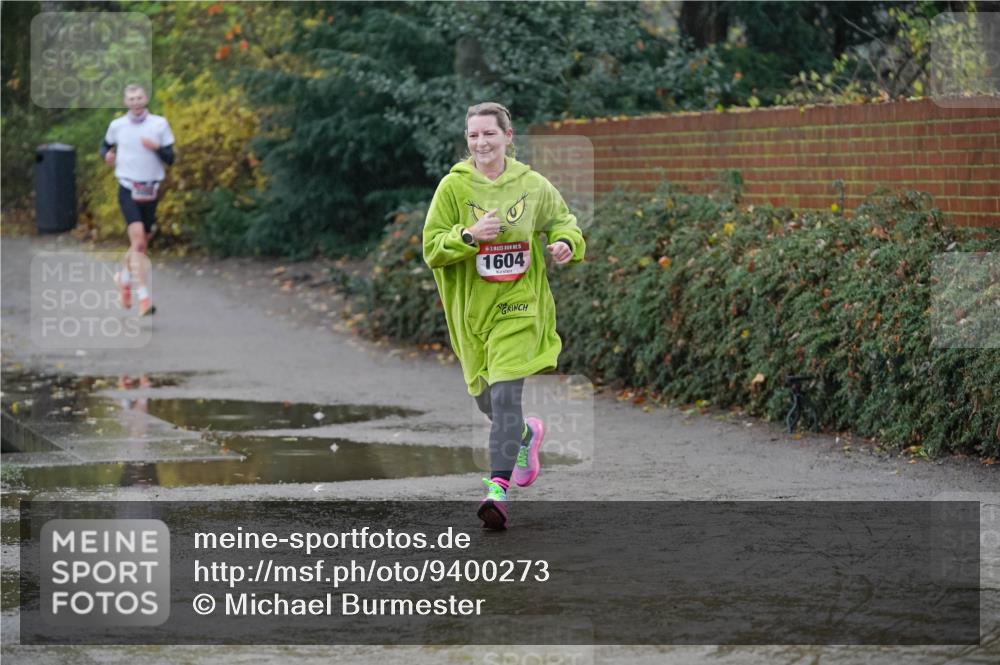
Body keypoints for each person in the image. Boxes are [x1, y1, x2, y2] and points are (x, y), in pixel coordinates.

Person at [423, 102, 585, 530]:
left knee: (506, 396)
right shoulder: (453, 189)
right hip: (473, 314)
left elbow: (563, 221)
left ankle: (497, 490)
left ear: (508, 137)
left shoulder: (531, 184)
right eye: (473, 136)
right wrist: (468, 235)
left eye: (489, 134)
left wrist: (566, 243)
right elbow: (432, 249)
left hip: (519, 307)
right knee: (486, 399)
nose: (481, 143)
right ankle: (525, 436)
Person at [100, 83, 176, 316]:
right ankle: (143, 298)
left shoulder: (159, 124)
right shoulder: (117, 126)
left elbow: (171, 158)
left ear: (146, 99)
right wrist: (108, 156)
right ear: (125, 102)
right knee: (140, 244)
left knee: (140, 245)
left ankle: (123, 279)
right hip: (127, 187)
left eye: (139, 97)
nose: (135, 102)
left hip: (151, 189)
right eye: (131, 98)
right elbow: (105, 146)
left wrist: (156, 148)